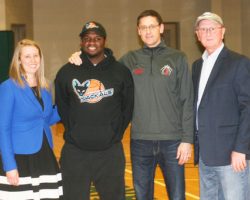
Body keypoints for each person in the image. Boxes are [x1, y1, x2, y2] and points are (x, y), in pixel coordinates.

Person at [69, 10, 194, 200]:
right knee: (142, 195)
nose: (148, 31)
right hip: (140, 142)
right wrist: (80, 56)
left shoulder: (177, 58)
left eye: (152, 26)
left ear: (161, 28)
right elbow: (104, 68)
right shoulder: (129, 60)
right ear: (138, 31)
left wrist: (187, 139)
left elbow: (187, 99)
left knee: (177, 196)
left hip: (173, 142)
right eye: (143, 27)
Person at [55, 21, 134, 200]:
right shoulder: (67, 72)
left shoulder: (120, 72)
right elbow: (62, 105)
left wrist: (114, 132)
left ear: (104, 41)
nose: (92, 42)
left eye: (97, 38)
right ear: (81, 42)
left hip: (110, 153)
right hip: (75, 153)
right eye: (87, 38)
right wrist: (75, 129)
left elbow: (127, 107)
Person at [193, 12, 250, 200]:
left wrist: (241, 148)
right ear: (197, 34)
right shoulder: (196, 66)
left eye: (212, 28)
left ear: (223, 32)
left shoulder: (239, 63)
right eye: (203, 29)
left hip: (231, 156)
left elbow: (247, 108)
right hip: (205, 156)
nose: (208, 33)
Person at [0, 39, 62, 200]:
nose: (33, 60)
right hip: (20, 157)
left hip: (44, 153)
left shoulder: (45, 87)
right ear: (19, 60)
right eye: (27, 56)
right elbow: (3, 129)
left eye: (36, 55)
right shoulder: (8, 87)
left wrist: (68, 106)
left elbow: (46, 119)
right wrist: (10, 165)